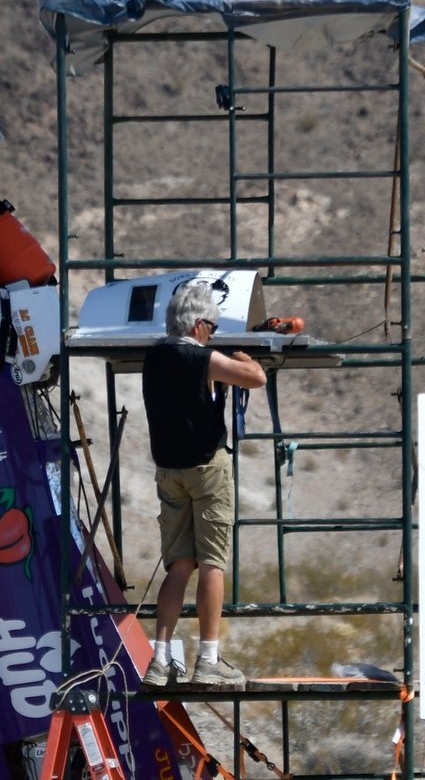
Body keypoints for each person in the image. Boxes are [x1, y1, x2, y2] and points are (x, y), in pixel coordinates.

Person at [141, 282, 267, 687]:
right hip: (205, 468)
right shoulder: (197, 357)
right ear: (197, 326)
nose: (211, 333)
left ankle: (159, 660)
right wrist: (243, 358)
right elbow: (255, 378)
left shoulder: (154, 357)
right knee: (213, 563)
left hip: (168, 471)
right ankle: (208, 658)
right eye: (210, 327)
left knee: (178, 566)